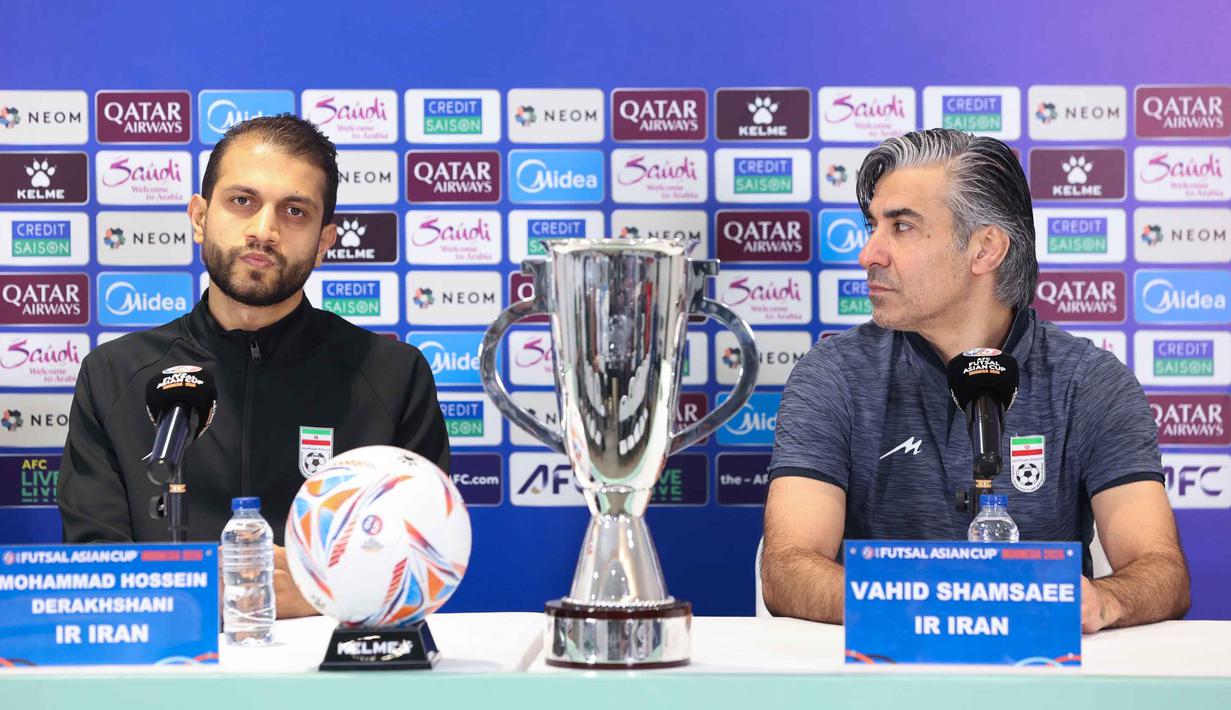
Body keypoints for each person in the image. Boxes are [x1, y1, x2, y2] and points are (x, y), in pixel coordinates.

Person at [762, 128, 1189, 633]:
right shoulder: (833, 374)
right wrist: (950, 605)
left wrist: (1104, 601)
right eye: (872, 225)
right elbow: (787, 571)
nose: (868, 253)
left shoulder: (1090, 382)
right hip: (881, 680)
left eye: (900, 227)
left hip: (1040, 680)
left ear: (985, 249)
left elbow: (1162, 570)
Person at [57, 114, 450, 618]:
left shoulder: (393, 376)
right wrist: (202, 594)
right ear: (199, 216)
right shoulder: (113, 375)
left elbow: (423, 562)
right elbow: (95, 572)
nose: (264, 231)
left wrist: (320, 596)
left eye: (294, 211)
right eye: (242, 202)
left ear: (325, 242)